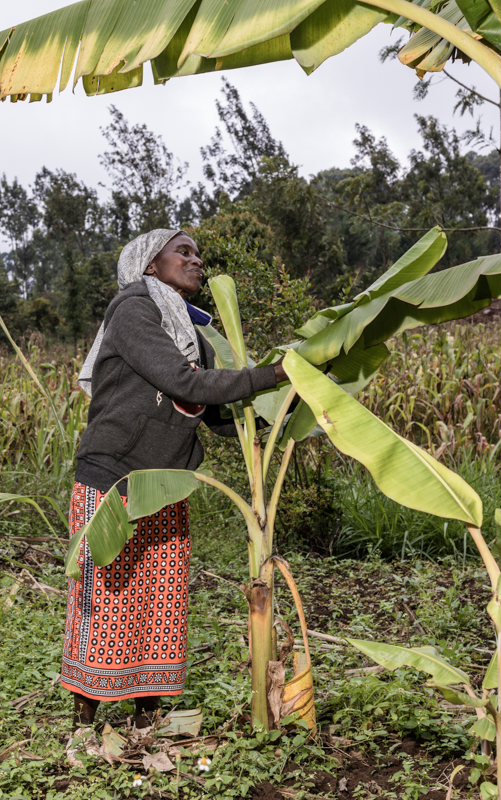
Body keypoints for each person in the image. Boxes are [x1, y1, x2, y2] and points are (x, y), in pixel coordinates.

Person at [62, 229, 287, 763]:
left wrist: (277, 415)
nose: (196, 259)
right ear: (150, 264)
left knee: (159, 604)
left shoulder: (191, 328)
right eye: (182, 252)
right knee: (106, 602)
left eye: (196, 252)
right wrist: (273, 374)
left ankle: (146, 719)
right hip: (113, 478)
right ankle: (83, 724)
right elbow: (185, 383)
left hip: (165, 485)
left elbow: (209, 406)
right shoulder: (134, 309)